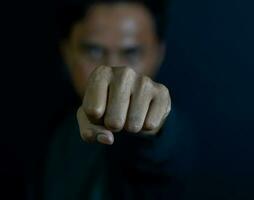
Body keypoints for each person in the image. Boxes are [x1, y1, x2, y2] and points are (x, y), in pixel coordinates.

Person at [43, 0, 187, 199]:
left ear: (159, 54)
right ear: (67, 52)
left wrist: (154, 128)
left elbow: (166, 153)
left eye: (131, 53)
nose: (113, 71)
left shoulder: (174, 138)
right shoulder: (50, 135)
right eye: (93, 51)